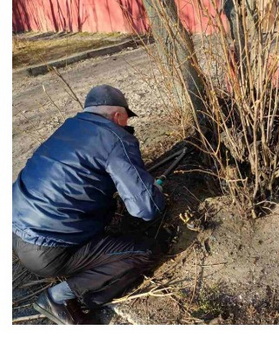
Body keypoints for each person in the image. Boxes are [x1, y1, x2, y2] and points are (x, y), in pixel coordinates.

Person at [13, 85, 166, 325]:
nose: (127, 125)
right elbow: (146, 210)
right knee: (146, 250)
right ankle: (60, 297)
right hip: (50, 250)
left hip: (18, 231)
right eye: (127, 118)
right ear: (118, 116)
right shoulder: (116, 137)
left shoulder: (70, 127)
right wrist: (154, 190)